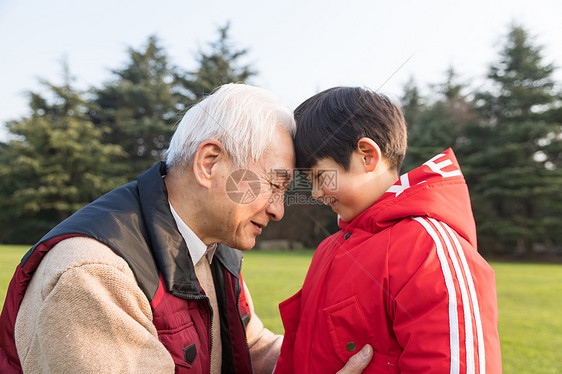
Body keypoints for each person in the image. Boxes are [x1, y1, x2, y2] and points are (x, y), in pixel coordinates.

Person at [0, 83, 372, 374]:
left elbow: (254, 347)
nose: (278, 210)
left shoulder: (216, 250)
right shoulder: (94, 277)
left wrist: (334, 359)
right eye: (274, 185)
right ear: (209, 164)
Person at [274, 87, 502, 373]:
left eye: (320, 176)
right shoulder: (327, 250)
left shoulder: (428, 248)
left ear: (368, 155)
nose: (316, 193)